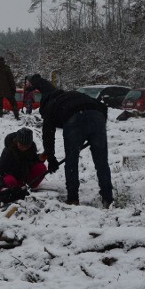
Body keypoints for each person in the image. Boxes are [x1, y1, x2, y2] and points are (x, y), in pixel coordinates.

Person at [27, 74, 113, 208]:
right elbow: (103, 108)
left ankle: (73, 199)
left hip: (74, 119)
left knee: (71, 160)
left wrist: (51, 159)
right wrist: (97, 132)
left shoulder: (49, 107)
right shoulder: (71, 95)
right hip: (97, 116)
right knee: (101, 162)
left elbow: (48, 136)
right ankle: (108, 199)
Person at [0, 127, 47, 204]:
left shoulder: (31, 148)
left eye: (26, 146)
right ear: (17, 141)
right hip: (12, 180)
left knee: (41, 167)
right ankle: (15, 191)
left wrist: (40, 158)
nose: (24, 148)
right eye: (21, 145)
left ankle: (28, 188)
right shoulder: (8, 152)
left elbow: (32, 161)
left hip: (25, 179)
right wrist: (1, 188)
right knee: (10, 180)